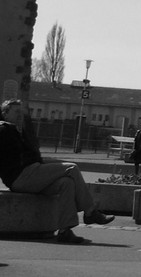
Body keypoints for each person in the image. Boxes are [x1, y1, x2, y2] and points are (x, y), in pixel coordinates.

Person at [0, 100, 114, 244]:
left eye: (21, 112)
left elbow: (30, 156)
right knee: (72, 168)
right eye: (16, 112)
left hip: (31, 173)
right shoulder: (3, 131)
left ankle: (64, 231)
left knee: (66, 183)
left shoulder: (16, 130)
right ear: (5, 113)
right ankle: (90, 211)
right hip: (22, 176)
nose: (20, 115)